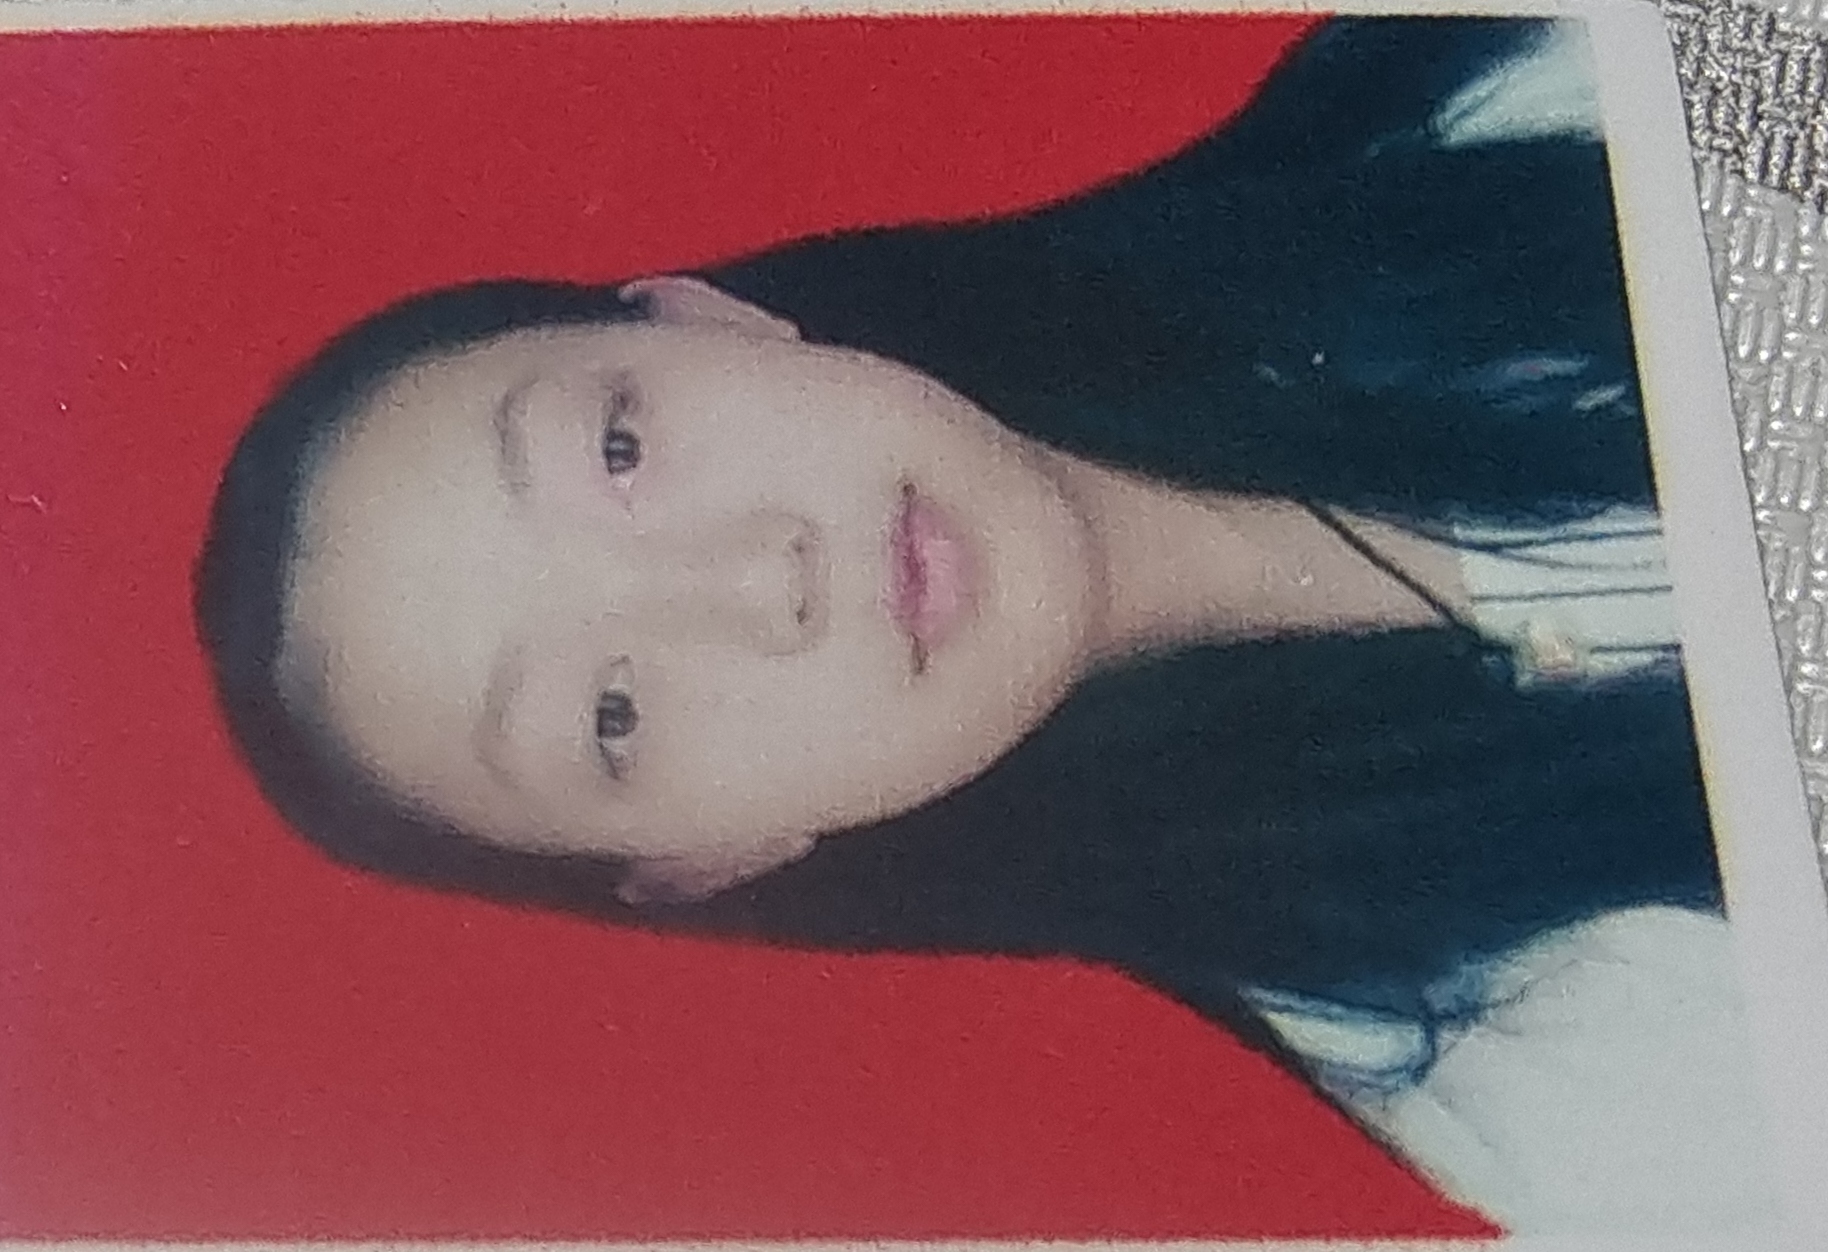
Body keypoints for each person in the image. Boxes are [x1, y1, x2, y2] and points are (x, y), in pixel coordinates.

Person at [192, 14, 1775, 1232]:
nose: (758, 578)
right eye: (611, 714)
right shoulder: (1557, 1082)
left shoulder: (1488, 84)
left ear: (708, 318)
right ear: (717, 859)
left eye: (617, 447)